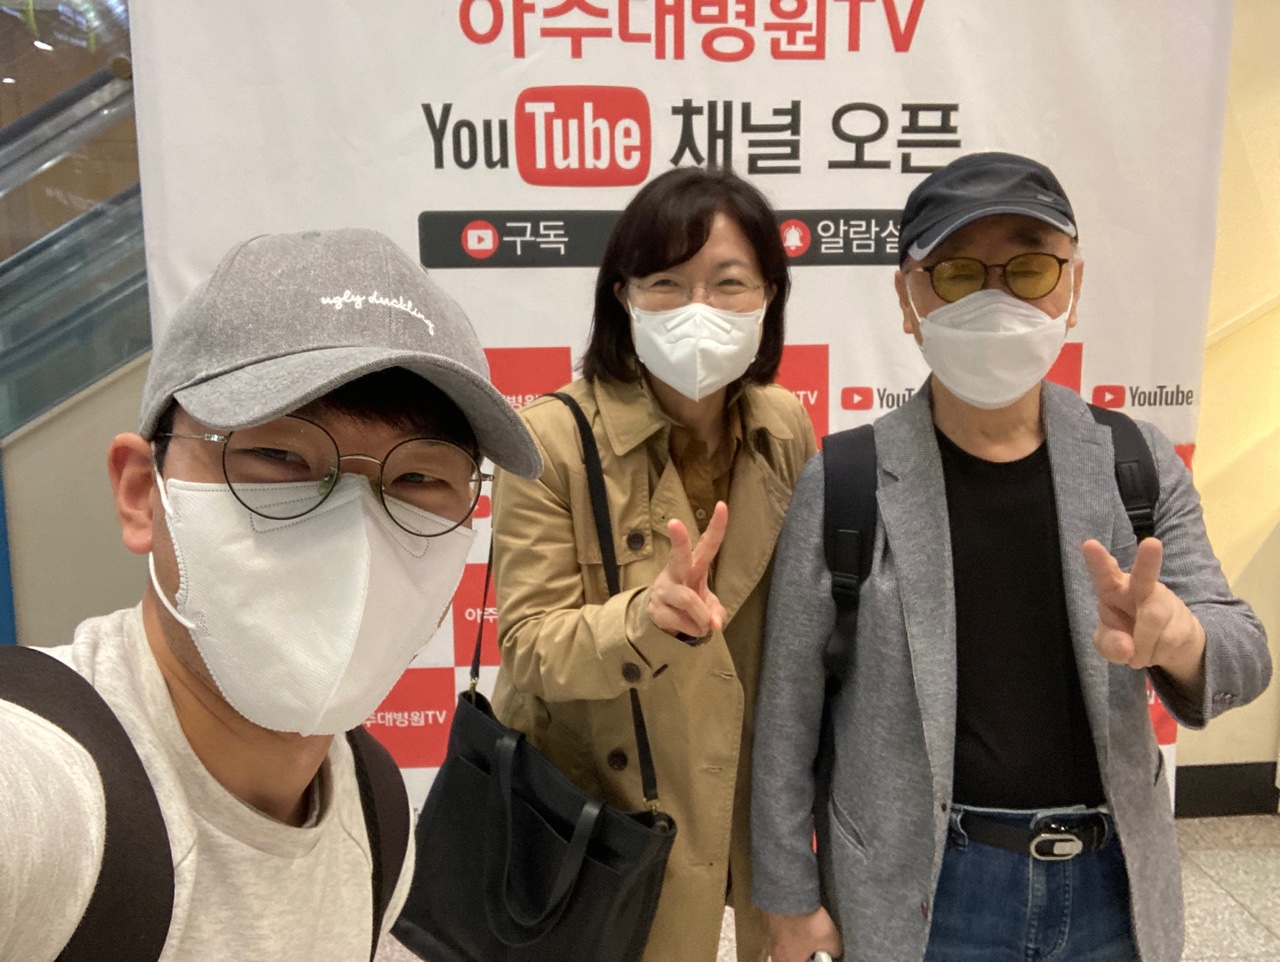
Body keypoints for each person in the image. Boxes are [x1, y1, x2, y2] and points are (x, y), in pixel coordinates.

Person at [750, 152, 1271, 962]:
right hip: (925, 892)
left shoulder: (1134, 464)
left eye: (1028, 269)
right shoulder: (846, 479)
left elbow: (1246, 653)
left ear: (1073, 286)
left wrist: (1181, 639)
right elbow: (788, 714)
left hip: (1113, 892)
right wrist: (788, 898)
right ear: (907, 300)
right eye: (958, 273)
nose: (996, 300)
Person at [0, 227, 541, 962]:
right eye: (281, 456)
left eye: (419, 477)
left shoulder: (373, 805)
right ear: (142, 493)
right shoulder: (45, 795)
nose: (357, 534)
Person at [488, 166, 817, 962]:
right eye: (666, 282)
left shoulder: (784, 425)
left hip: (740, 795)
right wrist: (642, 622)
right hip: (607, 810)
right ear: (623, 297)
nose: (698, 307)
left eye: (728, 282)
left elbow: (800, 629)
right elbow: (527, 647)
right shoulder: (549, 440)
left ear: (769, 296)